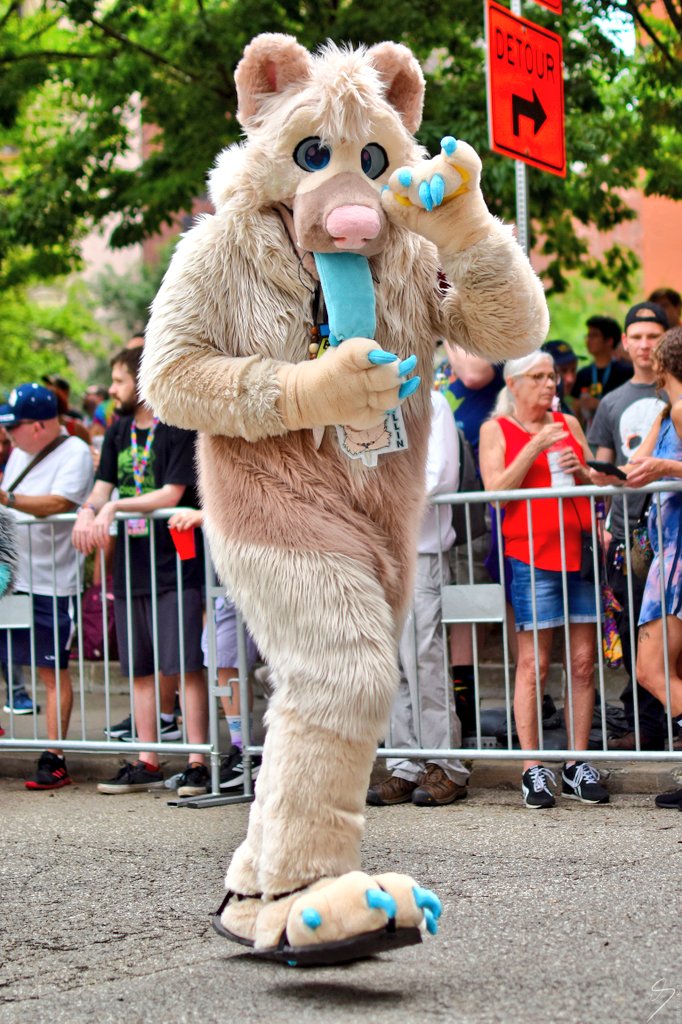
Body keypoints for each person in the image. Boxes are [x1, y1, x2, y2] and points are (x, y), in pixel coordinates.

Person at [72, 347, 208, 796]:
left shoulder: (176, 426)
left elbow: (171, 494)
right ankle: (147, 758)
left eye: (118, 380)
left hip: (174, 565)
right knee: (141, 667)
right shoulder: (116, 431)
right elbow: (101, 488)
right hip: (131, 568)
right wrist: (87, 512)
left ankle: (196, 761)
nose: (112, 389)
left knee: (185, 664)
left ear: (142, 379)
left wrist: (114, 506)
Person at [479, 350, 609, 809]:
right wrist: (533, 447)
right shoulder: (496, 429)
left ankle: (576, 762)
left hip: (580, 553)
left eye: (552, 376)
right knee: (534, 664)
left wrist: (585, 471)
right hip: (530, 556)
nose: (550, 384)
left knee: (582, 662)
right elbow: (495, 492)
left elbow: (596, 478)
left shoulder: (569, 424)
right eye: (538, 377)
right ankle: (532, 768)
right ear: (513, 384)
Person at [367, 390, 470, 807]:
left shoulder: (430, 401)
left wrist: (378, 505)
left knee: (423, 658)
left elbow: (439, 474)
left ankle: (446, 764)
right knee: (390, 664)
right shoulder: (363, 401)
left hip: (418, 547)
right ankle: (405, 763)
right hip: (374, 549)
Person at [0, 383, 94, 789]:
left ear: (39, 426)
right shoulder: (20, 450)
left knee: (51, 669)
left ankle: (54, 757)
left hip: (53, 582)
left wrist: (6, 497)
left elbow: (60, 503)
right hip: (14, 578)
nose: (8, 432)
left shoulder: (73, 452)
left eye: (14, 425)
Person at [589, 300, 670, 750]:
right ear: (624, 343)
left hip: (672, 534)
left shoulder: (675, 395)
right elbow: (601, 473)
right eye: (636, 337)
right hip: (626, 535)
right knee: (634, 633)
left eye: (652, 336)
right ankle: (644, 727)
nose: (644, 345)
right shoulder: (612, 401)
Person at [622, 326, 682, 808]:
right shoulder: (668, 411)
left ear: (662, 363)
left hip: (676, 556)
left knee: (651, 670)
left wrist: (664, 469)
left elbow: (656, 468)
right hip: (668, 550)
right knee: (667, 667)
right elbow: (633, 467)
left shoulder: (680, 409)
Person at [168, 507, 263, 792]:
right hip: (230, 580)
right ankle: (242, 749)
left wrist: (208, 515)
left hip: (263, 571)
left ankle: (251, 753)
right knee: (224, 662)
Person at [571, 315, 633, 427]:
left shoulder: (626, 372)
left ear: (609, 341)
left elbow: (631, 407)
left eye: (594, 335)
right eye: (588, 335)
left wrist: (599, 405)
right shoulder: (582, 374)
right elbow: (575, 408)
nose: (588, 340)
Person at [541, 339, 580, 414]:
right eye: (563, 371)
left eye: (573, 370)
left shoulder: (566, 406)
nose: (570, 379)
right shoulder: (538, 411)